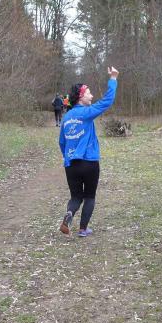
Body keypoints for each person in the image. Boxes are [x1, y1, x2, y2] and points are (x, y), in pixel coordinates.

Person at [58, 66, 119, 237]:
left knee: (75, 197)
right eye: (89, 93)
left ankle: (69, 214)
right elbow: (107, 101)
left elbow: (62, 142)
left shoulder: (66, 117)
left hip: (71, 165)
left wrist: (67, 157)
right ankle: (83, 229)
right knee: (89, 197)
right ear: (81, 97)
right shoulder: (86, 113)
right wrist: (113, 79)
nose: (91, 96)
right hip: (89, 162)